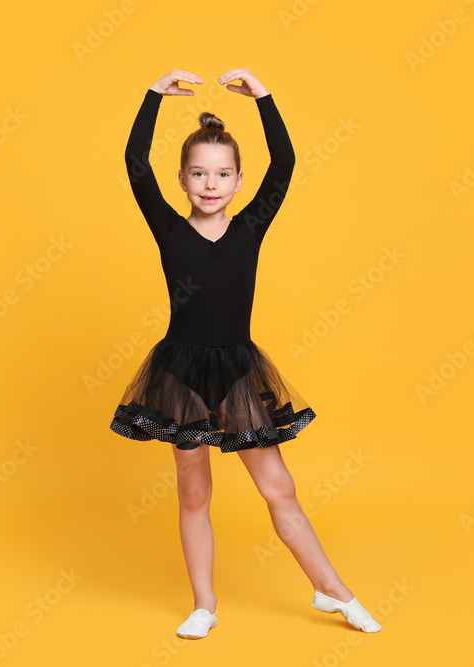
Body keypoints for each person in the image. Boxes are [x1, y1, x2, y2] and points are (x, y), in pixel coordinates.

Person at [110, 68, 381, 639]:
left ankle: (334, 591)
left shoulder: (251, 228)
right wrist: (153, 95)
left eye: (223, 174)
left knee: (278, 487)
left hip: (236, 370)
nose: (211, 184)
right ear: (183, 179)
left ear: (238, 182)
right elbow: (135, 164)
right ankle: (204, 604)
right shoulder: (169, 229)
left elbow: (284, 164)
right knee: (193, 489)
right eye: (199, 173)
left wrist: (264, 98)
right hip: (180, 373)